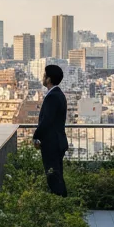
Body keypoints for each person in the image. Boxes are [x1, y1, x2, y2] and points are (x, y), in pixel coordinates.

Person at [33, 64, 69, 196]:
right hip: (58, 141)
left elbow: (46, 121)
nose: (42, 78)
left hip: (52, 143)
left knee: (53, 177)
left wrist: (36, 136)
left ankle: (61, 205)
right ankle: (63, 205)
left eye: (44, 75)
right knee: (57, 175)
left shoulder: (52, 96)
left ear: (48, 79)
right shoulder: (59, 95)